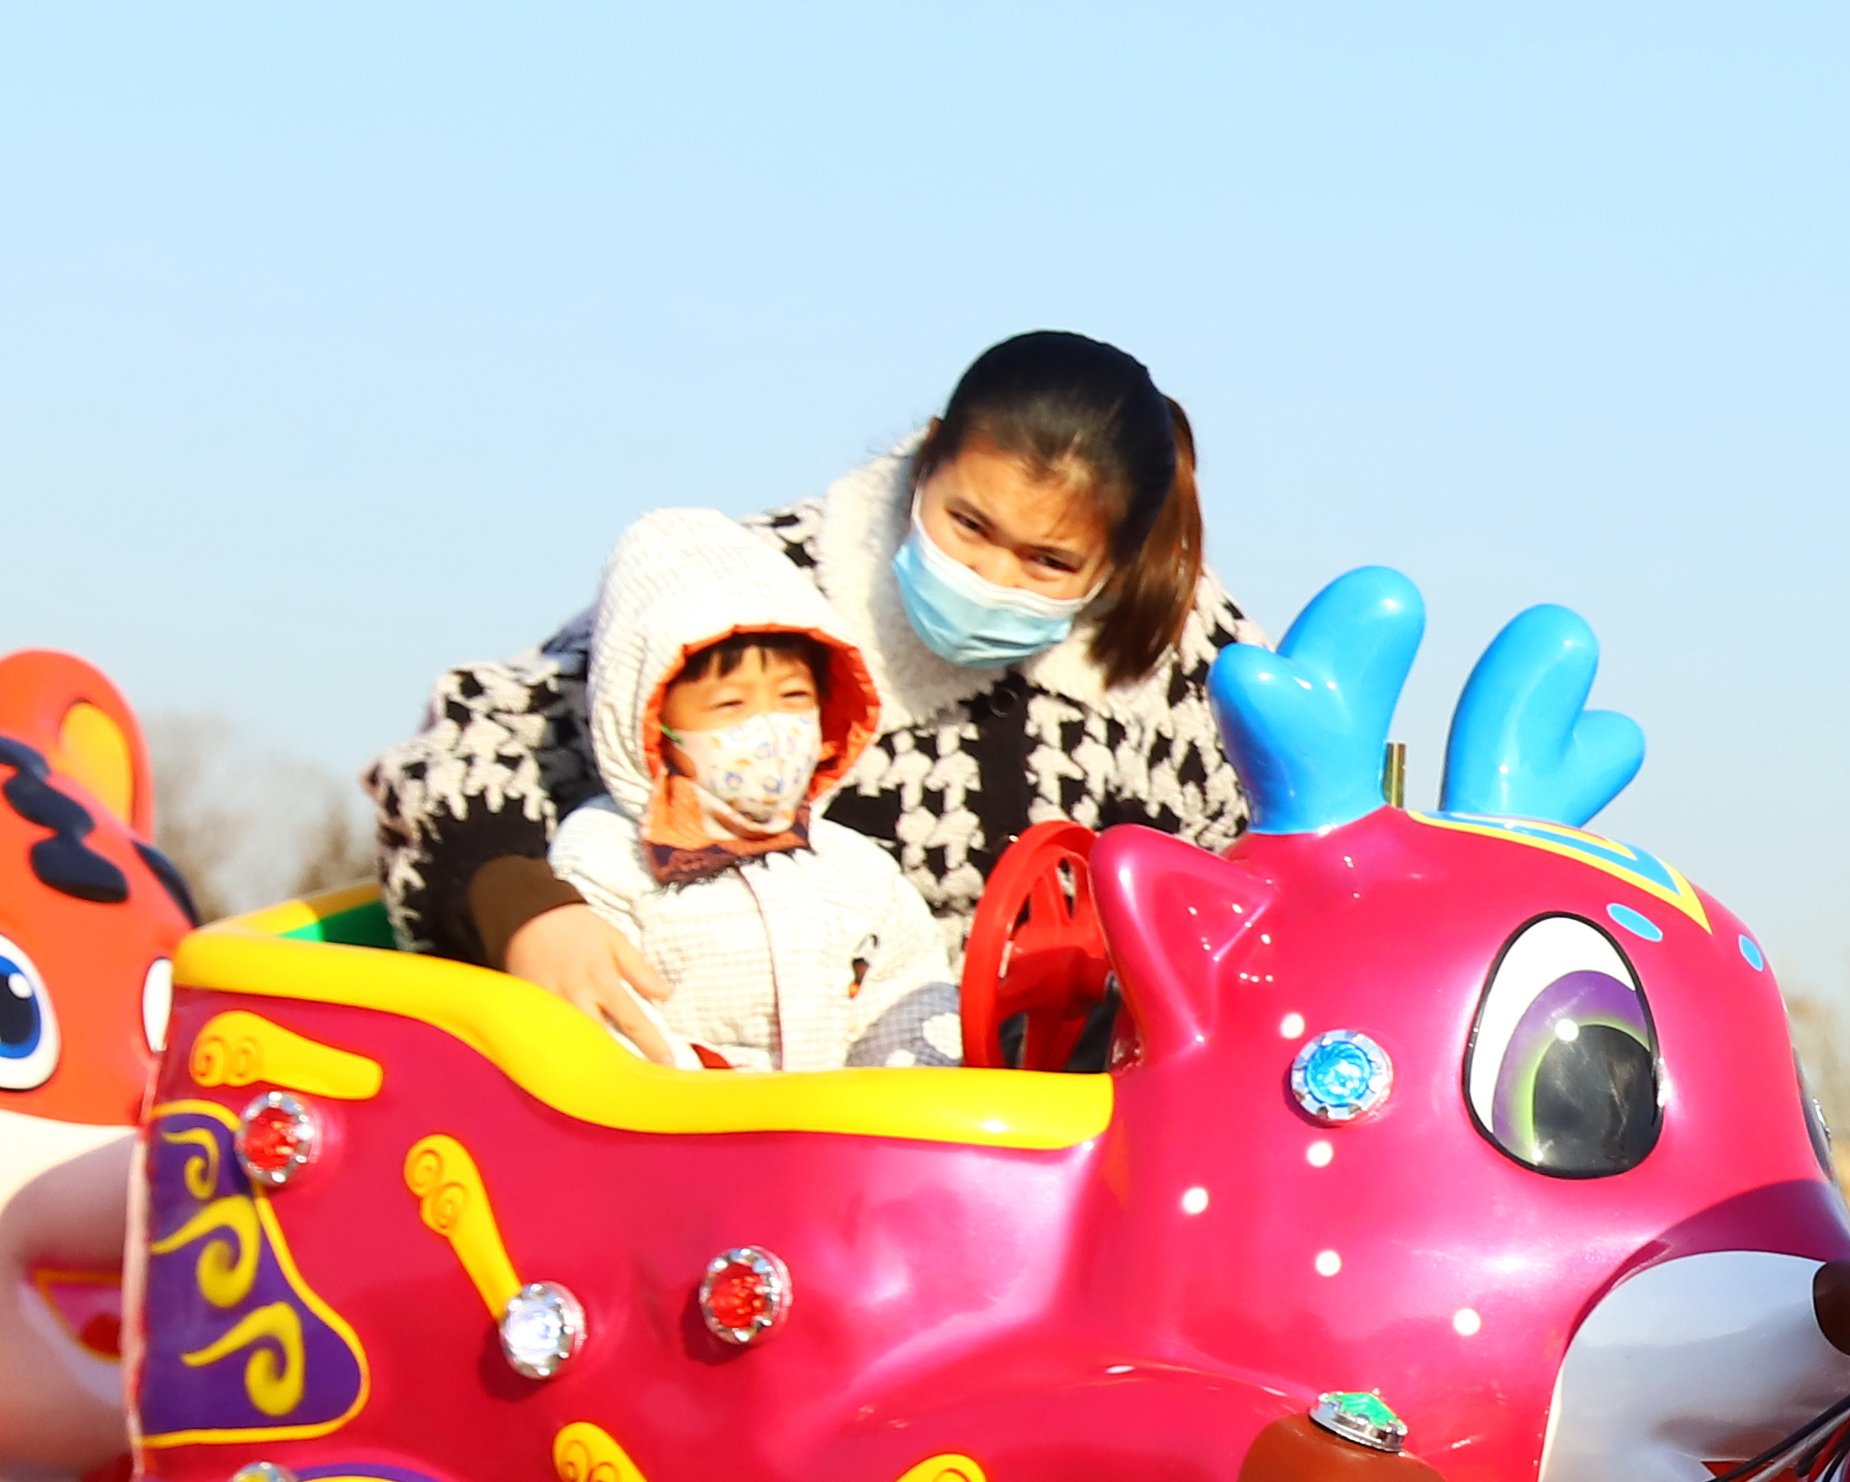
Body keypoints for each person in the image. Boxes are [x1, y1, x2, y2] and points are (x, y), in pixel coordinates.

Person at [368, 331, 1252, 1061]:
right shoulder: (754, 590)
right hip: (754, 1104)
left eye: (1048, 562)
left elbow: (1261, 888)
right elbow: (470, 746)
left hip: (1065, 1132)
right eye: (968, 525)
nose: (990, 576)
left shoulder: (1189, 668)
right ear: (929, 459)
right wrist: (524, 908)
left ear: (1120, 560)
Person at [543, 510, 955, 1070]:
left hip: (840, 1123)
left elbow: (909, 994)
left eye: (792, 698)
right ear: (653, 722)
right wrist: (697, 1096)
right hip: (676, 1120)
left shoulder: (856, 868)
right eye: (730, 704)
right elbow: (607, 1009)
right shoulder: (606, 854)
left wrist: (899, 1091)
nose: (769, 726)